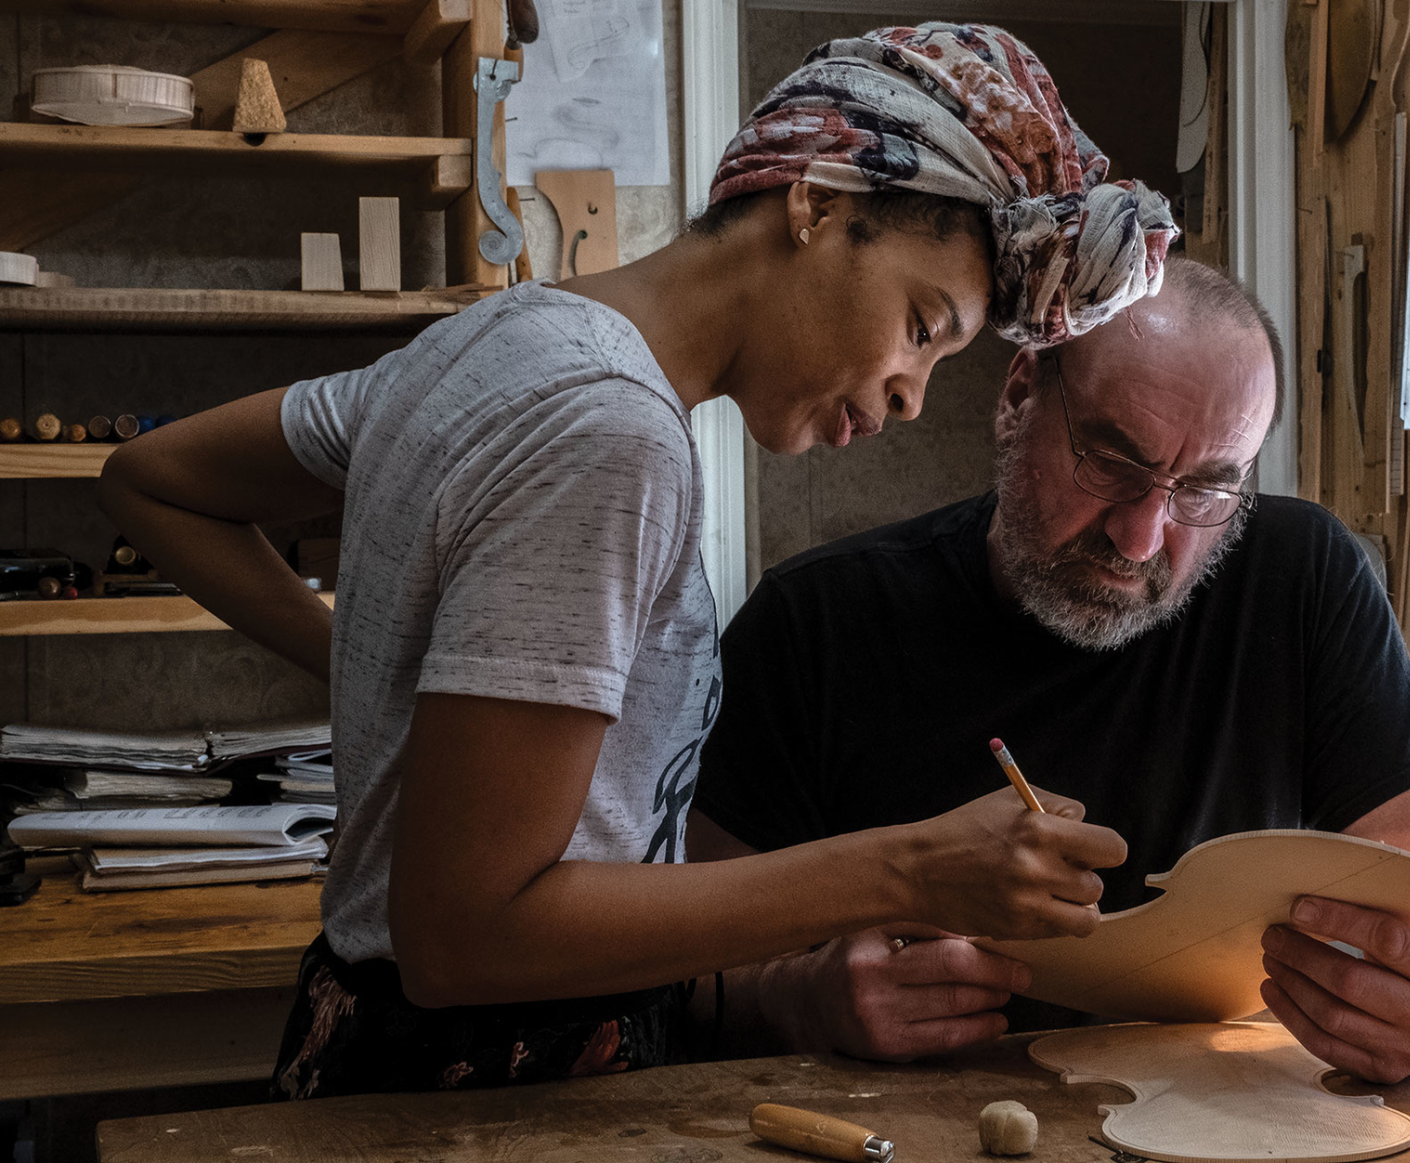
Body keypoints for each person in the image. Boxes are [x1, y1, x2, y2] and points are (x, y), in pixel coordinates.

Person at [94, 24, 1178, 1098]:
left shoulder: (501, 337)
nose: (910, 391)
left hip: (379, 1047)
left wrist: (375, 663)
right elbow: (467, 934)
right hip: (487, 1086)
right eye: (920, 323)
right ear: (819, 201)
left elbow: (153, 478)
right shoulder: (609, 432)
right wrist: (903, 868)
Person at [688, 256, 1410, 1085]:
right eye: (1111, 464)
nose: (1139, 537)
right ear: (1018, 396)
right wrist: (802, 998)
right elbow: (680, 976)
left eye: (1203, 490)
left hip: (1223, 1122)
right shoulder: (818, 623)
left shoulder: (1301, 576)